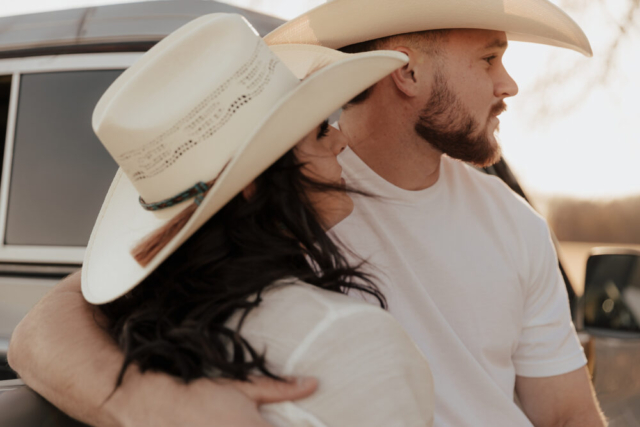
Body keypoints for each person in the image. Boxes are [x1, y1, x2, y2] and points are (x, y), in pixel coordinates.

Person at [8, 0, 607, 426]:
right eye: (489, 59)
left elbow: (568, 416)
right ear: (409, 70)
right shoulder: (284, 195)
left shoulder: (517, 224)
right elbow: (42, 331)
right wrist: (152, 406)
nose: (510, 85)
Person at [11, 12, 435, 427]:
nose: (341, 139)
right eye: (321, 130)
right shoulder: (353, 343)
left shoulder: (141, 322)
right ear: (255, 182)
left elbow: (39, 328)